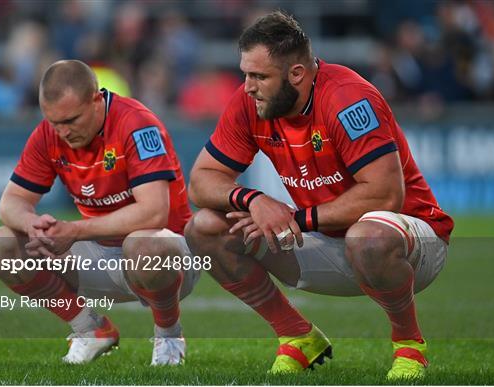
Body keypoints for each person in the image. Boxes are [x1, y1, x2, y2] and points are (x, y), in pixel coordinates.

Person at [185, 11, 453, 380]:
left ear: (297, 74)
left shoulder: (348, 100)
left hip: (408, 243)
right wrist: (254, 200)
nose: (247, 86)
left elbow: (385, 195)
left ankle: (410, 346)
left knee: (369, 234)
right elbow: (200, 182)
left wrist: (296, 218)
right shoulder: (251, 102)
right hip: (324, 238)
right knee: (204, 227)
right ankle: (297, 337)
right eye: (246, 73)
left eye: (259, 76)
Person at [0, 60, 199, 365]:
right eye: (54, 122)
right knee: (0, 244)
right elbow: (11, 203)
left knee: (147, 244)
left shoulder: (136, 123)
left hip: (166, 256)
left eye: (71, 120)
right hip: (99, 252)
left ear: (96, 99)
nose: (63, 132)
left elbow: (154, 213)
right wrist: (32, 224)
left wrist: (74, 231)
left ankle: (168, 336)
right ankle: (90, 330)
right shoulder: (50, 133)